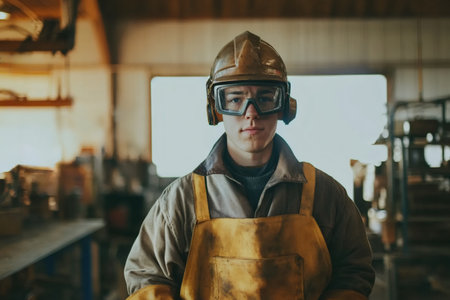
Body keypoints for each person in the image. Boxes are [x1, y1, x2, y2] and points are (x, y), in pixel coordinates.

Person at [124, 31, 375, 300]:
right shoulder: (181, 201)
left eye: (265, 98)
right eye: (235, 99)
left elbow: (354, 271)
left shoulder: (324, 195)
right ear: (215, 108)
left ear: (285, 106)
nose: (251, 112)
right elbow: (148, 279)